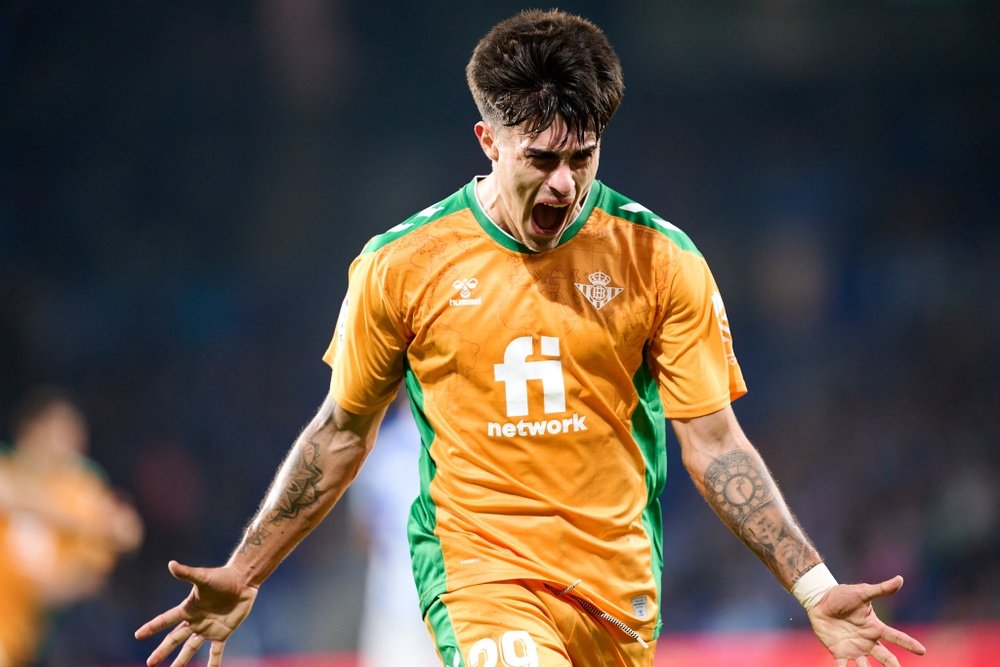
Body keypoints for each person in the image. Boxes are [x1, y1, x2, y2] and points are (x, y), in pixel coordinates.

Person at [135, 9, 926, 667]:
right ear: (487, 140)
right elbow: (341, 430)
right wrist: (247, 568)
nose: (564, 184)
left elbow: (716, 444)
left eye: (583, 158)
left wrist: (815, 586)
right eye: (541, 159)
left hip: (617, 591)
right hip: (481, 573)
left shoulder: (660, 259)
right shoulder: (402, 264)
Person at [0, 386, 143, 667]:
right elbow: (8, 494)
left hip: (30, 635)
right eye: (63, 432)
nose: (73, 445)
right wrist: (86, 522)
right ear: (33, 429)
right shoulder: (10, 468)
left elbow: (126, 533)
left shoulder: (79, 488)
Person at [348, 388, 440, 667]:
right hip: (450, 588)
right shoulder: (456, 444)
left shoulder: (377, 451)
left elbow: (364, 530)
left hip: (394, 592)